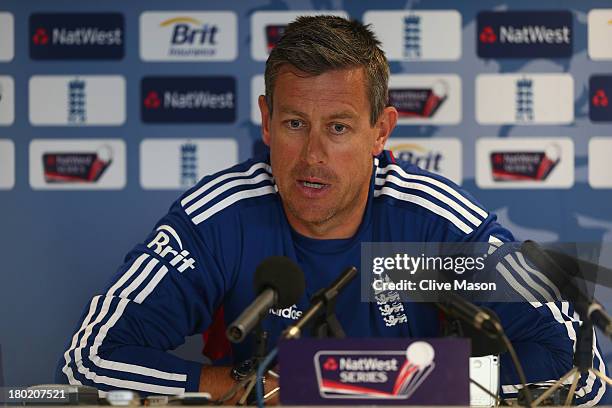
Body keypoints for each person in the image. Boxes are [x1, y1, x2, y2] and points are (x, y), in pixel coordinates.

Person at [56, 15, 606, 404]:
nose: (312, 156)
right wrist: (248, 387)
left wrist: (380, 384)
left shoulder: (432, 225)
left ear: (380, 132)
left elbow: (580, 372)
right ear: (267, 123)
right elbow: (91, 357)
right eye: (295, 124)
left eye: (338, 128)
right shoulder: (221, 217)